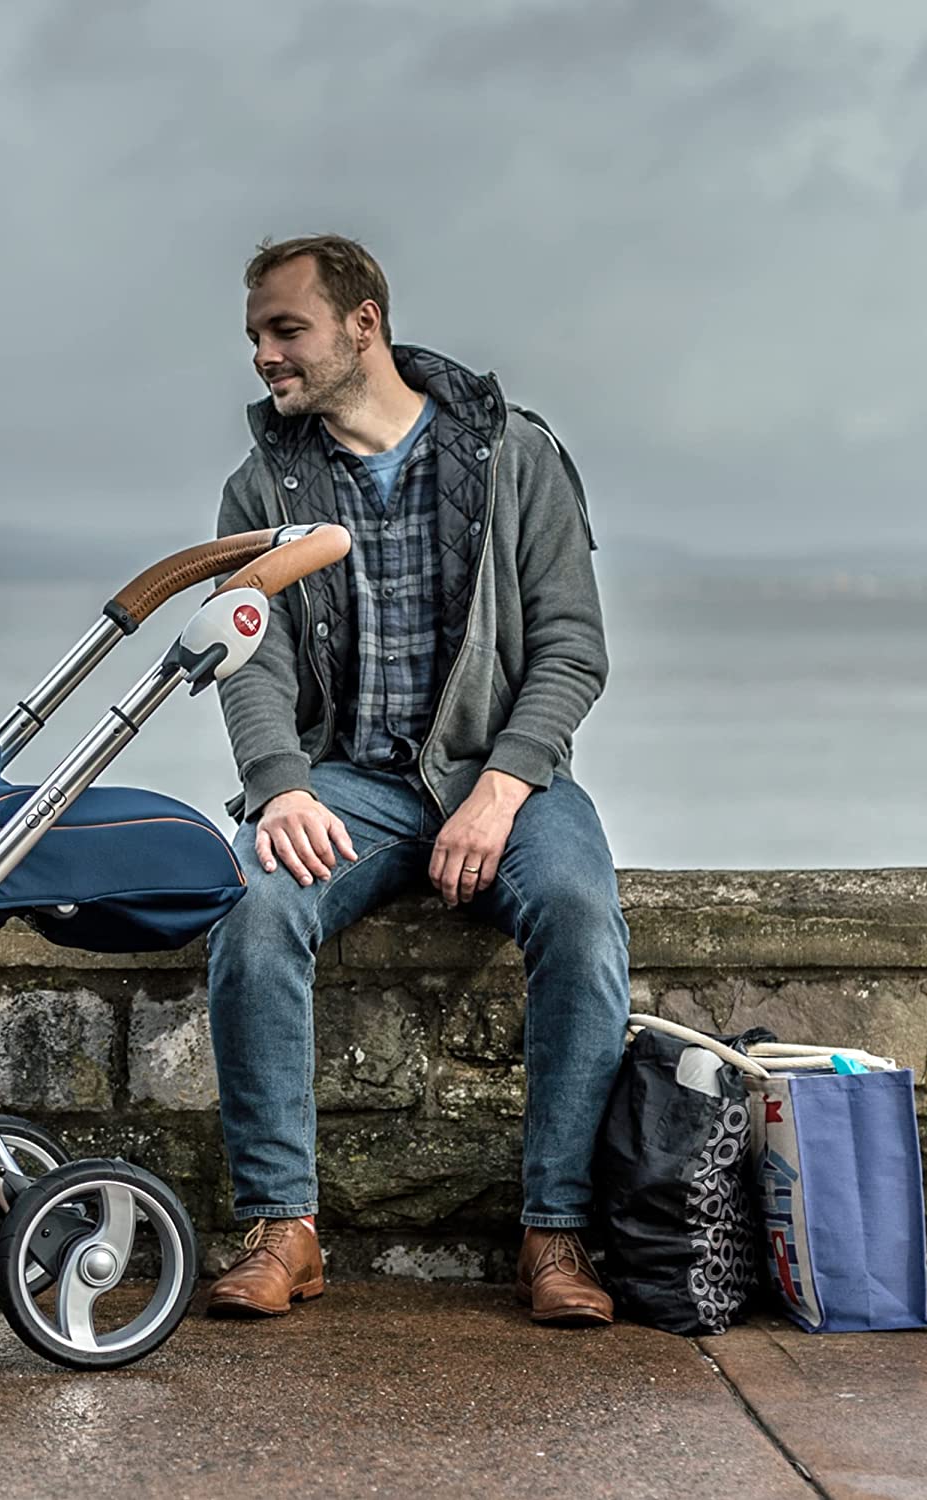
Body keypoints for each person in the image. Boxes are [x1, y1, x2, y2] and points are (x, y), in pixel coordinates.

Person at [205, 234, 630, 1326]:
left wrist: (502, 790)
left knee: (582, 913)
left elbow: (573, 651)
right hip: (350, 784)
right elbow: (243, 654)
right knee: (254, 910)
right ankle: (283, 1228)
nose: (263, 354)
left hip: (507, 780)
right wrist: (279, 787)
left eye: (285, 328)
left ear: (363, 323)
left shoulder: (514, 456)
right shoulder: (264, 484)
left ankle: (555, 1231)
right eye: (255, 333)